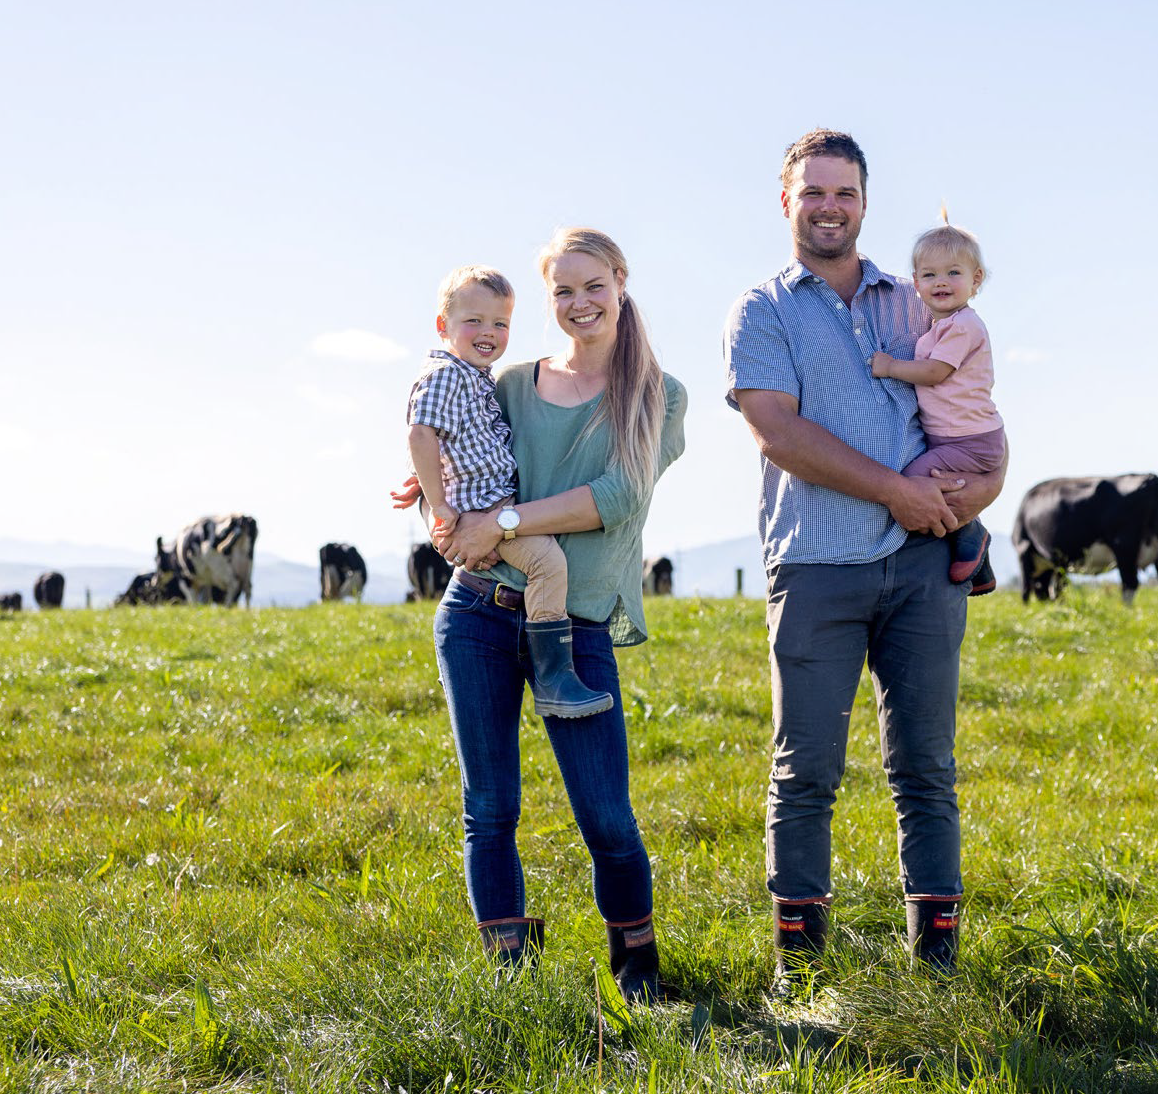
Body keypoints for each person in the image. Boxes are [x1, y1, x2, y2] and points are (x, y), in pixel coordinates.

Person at [723, 129, 1006, 981]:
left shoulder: (915, 298)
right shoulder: (762, 309)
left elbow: (968, 398)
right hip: (817, 564)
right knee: (805, 770)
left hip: (922, 565)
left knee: (926, 768)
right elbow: (778, 434)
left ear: (864, 202)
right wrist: (897, 492)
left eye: (843, 192)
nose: (829, 207)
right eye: (812, 192)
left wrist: (983, 489)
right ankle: (802, 971)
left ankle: (938, 970)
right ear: (786, 201)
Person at [395, 228, 686, 1001]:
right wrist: (431, 496)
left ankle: (638, 972)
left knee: (607, 817)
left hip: (575, 623)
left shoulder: (657, 394)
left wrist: (504, 523)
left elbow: (618, 498)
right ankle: (512, 984)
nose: (579, 302)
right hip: (480, 612)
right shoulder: (511, 383)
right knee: (489, 810)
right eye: (563, 290)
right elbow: (459, 448)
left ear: (620, 281)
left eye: (593, 286)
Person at [407, 265, 613, 718]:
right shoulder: (446, 375)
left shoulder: (476, 376)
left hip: (489, 504)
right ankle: (554, 676)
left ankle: (514, 669)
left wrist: (424, 482)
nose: (489, 332)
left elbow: (445, 439)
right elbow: (420, 433)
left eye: (500, 323)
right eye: (474, 321)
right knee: (547, 564)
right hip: (479, 509)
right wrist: (437, 503)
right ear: (443, 325)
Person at [870, 216, 1005, 594]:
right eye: (929, 275)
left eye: (953, 273)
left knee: (913, 485)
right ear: (916, 284)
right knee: (929, 488)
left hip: (969, 440)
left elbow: (935, 372)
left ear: (976, 280)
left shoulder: (964, 325)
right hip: (956, 437)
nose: (941, 282)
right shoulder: (942, 325)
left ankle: (971, 533)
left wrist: (890, 367)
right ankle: (978, 564)